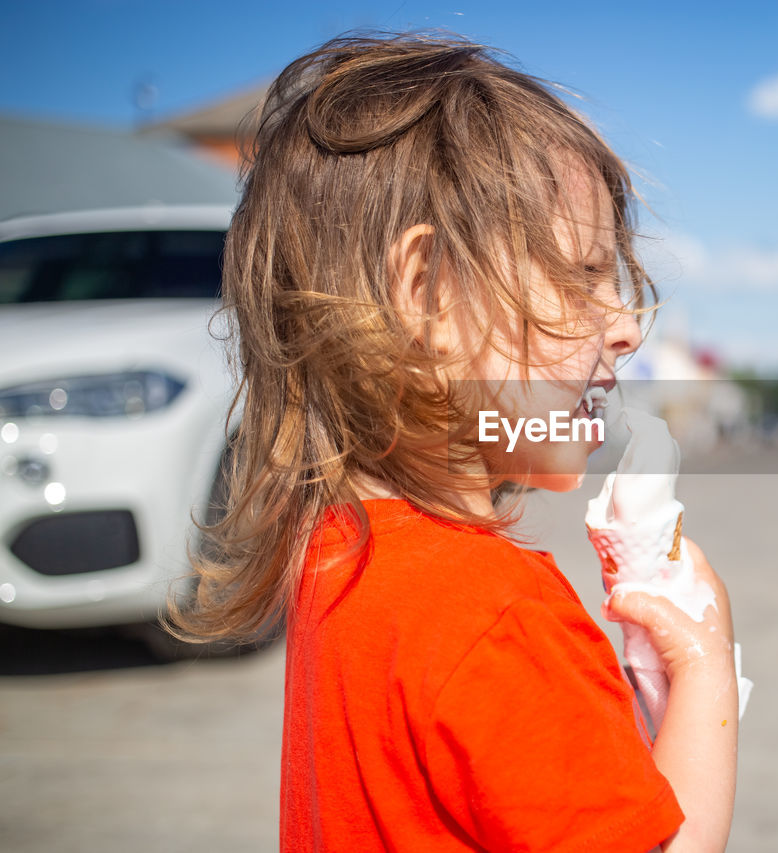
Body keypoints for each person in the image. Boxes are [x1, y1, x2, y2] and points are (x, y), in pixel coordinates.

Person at [166, 32, 739, 852]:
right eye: (582, 275)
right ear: (427, 291)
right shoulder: (499, 615)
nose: (624, 329)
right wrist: (705, 673)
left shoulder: (338, 555)